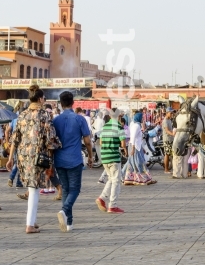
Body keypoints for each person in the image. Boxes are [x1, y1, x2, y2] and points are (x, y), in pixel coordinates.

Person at [6, 85, 61, 234]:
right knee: (35, 189)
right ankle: (29, 224)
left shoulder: (22, 115)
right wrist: (50, 159)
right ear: (40, 99)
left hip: (23, 157)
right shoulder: (44, 115)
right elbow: (50, 140)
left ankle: (32, 220)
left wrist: (11, 158)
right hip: (38, 157)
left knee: (33, 188)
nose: (44, 100)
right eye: (44, 98)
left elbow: (15, 139)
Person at [53, 91, 93, 232]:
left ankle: (69, 223)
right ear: (73, 102)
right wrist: (90, 156)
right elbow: (87, 141)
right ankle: (64, 211)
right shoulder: (79, 119)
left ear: (61, 103)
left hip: (59, 159)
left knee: (65, 189)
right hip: (74, 159)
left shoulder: (55, 120)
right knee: (75, 189)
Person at [95, 110, 127, 214]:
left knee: (111, 178)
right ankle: (112, 205)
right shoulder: (118, 126)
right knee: (116, 181)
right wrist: (125, 150)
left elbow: (101, 141)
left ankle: (102, 198)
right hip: (113, 157)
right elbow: (123, 144)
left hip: (104, 157)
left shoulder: (105, 127)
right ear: (119, 116)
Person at [123, 112, 156, 185]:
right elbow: (133, 137)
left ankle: (129, 179)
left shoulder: (136, 125)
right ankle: (143, 179)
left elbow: (138, 139)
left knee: (132, 163)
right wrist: (133, 148)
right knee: (139, 163)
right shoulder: (136, 126)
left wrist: (142, 148)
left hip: (137, 147)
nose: (142, 119)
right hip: (135, 147)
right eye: (142, 118)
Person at [162, 108, 175, 175]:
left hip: (171, 139)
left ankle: (170, 168)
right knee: (167, 154)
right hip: (167, 139)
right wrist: (173, 134)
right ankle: (166, 169)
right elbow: (167, 130)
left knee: (171, 154)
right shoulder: (165, 121)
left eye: (172, 113)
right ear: (167, 113)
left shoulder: (169, 120)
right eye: (171, 113)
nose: (172, 114)